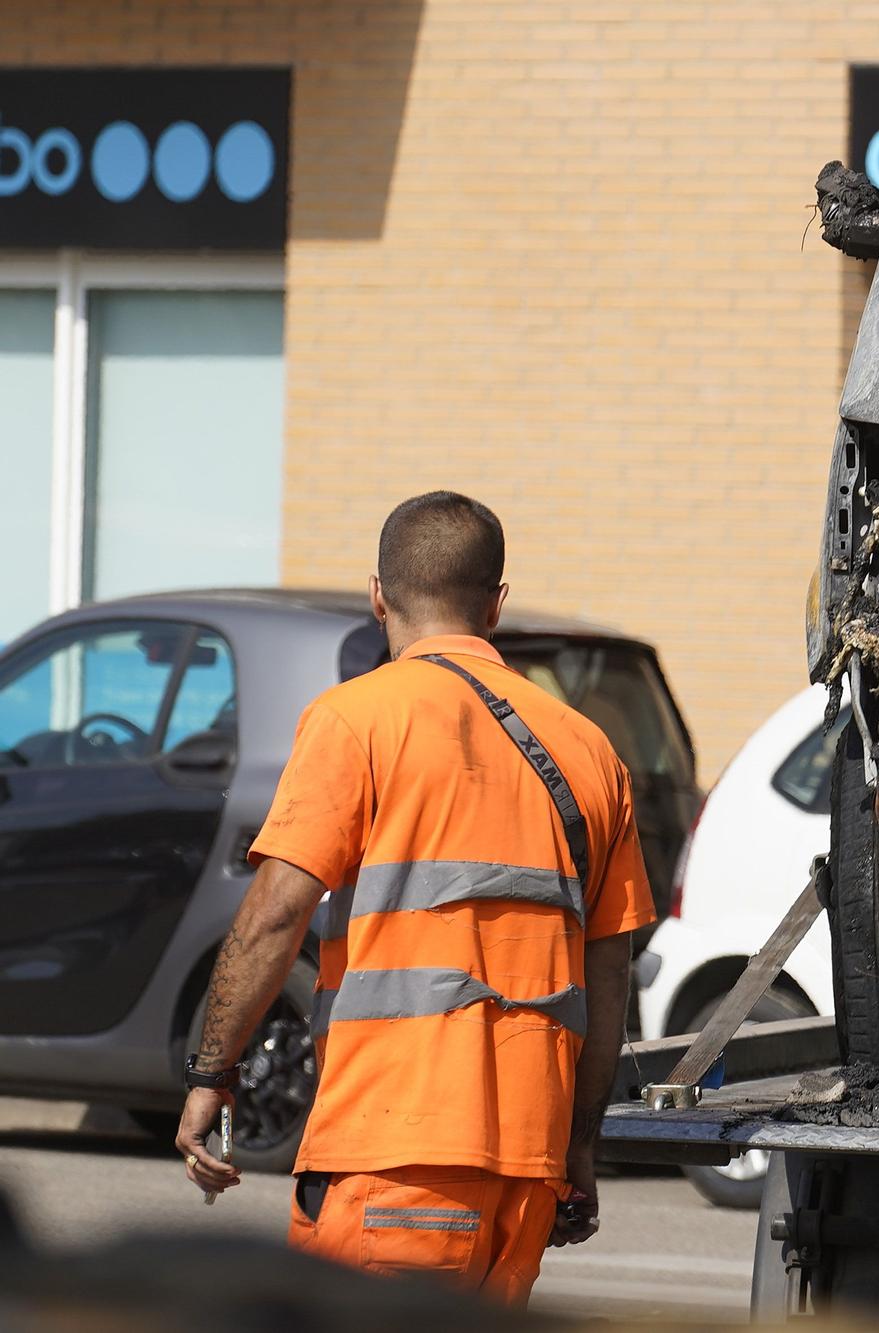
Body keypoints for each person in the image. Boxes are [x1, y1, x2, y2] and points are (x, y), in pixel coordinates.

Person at [176, 491, 655, 1303]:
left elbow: (274, 914)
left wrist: (211, 1070)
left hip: (392, 1151)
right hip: (527, 1167)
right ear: (496, 604)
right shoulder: (590, 749)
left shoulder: (356, 720)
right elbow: (608, 975)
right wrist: (579, 1147)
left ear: (377, 595)